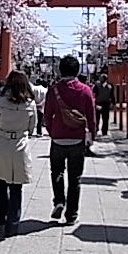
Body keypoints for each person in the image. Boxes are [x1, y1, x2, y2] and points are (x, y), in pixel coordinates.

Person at [44, 55, 96, 225]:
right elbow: (91, 117)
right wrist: (91, 137)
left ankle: (59, 200)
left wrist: (52, 132)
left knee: (56, 172)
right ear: (77, 70)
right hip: (77, 139)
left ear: (60, 70)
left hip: (58, 138)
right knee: (75, 178)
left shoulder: (54, 90)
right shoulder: (85, 90)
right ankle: (71, 215)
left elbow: (47, 115)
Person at [0, 71, 36, 237]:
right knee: (17, 186)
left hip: (2, 143)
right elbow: (32, 127)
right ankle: (13, 223)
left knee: (1, 183)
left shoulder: (0, 102)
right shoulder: (30, 104)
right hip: (20, 145)